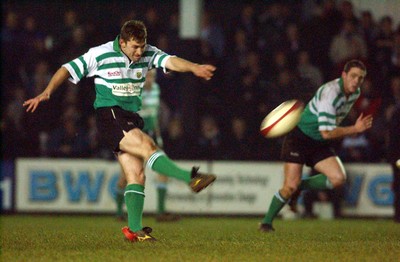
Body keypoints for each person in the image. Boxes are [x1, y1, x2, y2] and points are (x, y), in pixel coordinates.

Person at [23, 20, 217, 242]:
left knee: (137, 175)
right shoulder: (100, 54)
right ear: (122, 42)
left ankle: (135, 231)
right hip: (110, 116)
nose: (139, 51)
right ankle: (190, 178)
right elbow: (67, 68)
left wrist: (194, 67)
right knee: (149, 147)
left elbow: (171, 61)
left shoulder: (147, 52)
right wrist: (47, 92)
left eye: (142, 46)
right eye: (134, 47)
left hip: (131, 118)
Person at [259, 60, 373, 232]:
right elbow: (327, 132)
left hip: (319, 140)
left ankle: (300, 186)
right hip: (300, 137)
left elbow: (328, 129)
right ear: (344, 75)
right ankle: (266, 223)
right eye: (353, 76)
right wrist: (354, 129)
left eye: (361, 78)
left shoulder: (355, 92)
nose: (356, 81)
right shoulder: (331, 93)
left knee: (338, 179)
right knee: (289, 186)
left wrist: (350, 129)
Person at [114, 69, 180, 222]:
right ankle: (118, 213)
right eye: (148, 76)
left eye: (153, 76)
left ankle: (161, 212)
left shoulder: (156, 89)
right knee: (126, 176)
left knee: (163, 172)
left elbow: (153, 116)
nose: (150, 78)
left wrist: (158, 138)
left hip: (150, 137)